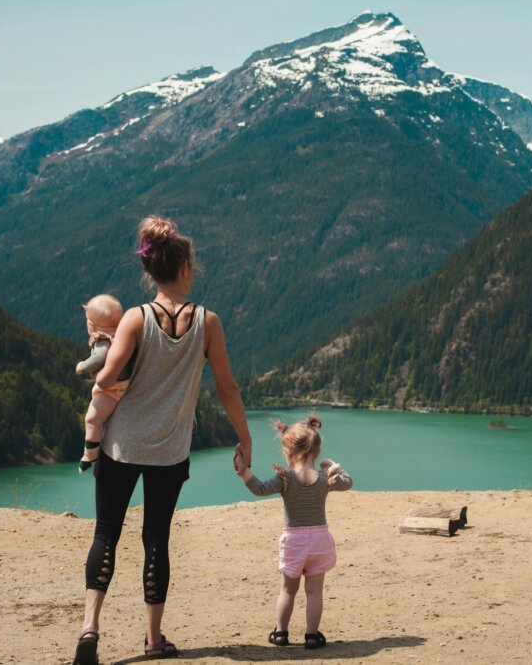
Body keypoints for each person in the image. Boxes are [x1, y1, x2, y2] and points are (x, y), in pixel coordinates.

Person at [73, 216, 253, 665]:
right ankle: (153, 640)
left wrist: (99, 380)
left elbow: (109, 375)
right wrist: (245, 437)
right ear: (186, 268)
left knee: (106, 534)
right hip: (170, 452)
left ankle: (89, 629)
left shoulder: (134, 318)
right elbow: (227, 388)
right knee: (157, 540)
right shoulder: (208, 323)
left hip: (120, 447)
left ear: (151, 271)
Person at [234, 414, 353, 650]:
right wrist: (333, 466)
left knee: (288, 590)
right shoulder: (324, 478)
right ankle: (311, 635)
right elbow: (348, 482)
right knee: (314, 592)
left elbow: (259, 488)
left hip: (294, 542)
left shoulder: (285, 479)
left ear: (288, 452)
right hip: (320, 541)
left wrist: (243, 471)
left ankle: (281, 633)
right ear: (317, 452)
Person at [74, 294, 133, 473]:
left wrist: (82, 367)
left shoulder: (103, 340)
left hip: (113, 389)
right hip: (126, 383)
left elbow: (98, 359)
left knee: (92, 419)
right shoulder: (123, 334)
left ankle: (89, 454)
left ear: (91, 324)